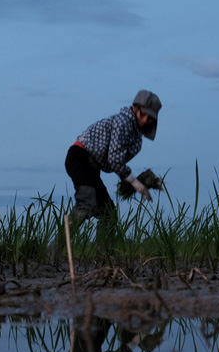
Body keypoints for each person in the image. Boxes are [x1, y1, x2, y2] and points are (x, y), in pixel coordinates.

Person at [61, 89, 162, 242]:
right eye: (143, 114)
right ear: (135, 108)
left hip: (91, 165)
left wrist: (136, 181)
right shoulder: (123, 122)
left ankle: (102, 261)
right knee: (87, 201)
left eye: (149, 118)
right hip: (81, 157)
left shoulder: (135, 137)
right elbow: (115, 160)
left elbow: (116, 161)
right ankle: (53, 252)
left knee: (109, 213)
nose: (144, 120)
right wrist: (135, 182)